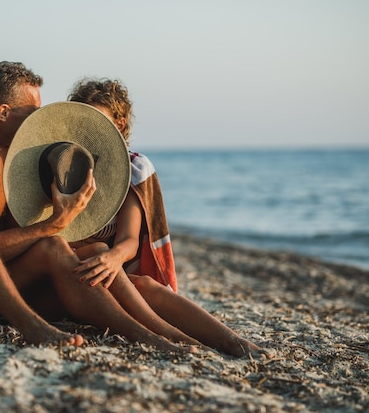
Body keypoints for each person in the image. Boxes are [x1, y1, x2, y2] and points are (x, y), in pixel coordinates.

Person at [0, 62, 195, 353]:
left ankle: (160, 337)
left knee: (80, 249)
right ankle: (31, 325)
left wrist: (57, 222)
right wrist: (49, 225)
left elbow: (7, 244)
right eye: (31, 112)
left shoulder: (7, 160)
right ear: (2, 112)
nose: (39, 121)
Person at [67, 78, 265, 357]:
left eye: (98, 119)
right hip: (67, 266)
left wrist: (113, 258)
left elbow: (128, 240)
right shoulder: (63, 161)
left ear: (120, 123)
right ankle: (185, 340)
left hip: (103, 268)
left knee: (146, 286)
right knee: (112, 268)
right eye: (83, 119)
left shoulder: (132, 167)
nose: (89, 128)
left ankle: (232, 341)